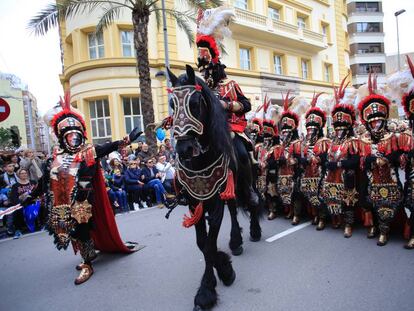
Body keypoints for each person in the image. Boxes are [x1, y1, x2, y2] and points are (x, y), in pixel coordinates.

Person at [37, 93, 142, 284]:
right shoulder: (56, 157)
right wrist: (29, 197)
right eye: (70, 136)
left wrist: (125, 140)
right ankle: (89, 253)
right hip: (63, 202)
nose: (74, 140)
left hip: (84, 201)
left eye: (77, 136)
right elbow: (44, 181)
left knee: (81, 229)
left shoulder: (89, 151)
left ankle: (87, 263)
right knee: (73, 231)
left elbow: (109, 147)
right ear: (62, 138)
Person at [195, 7, 258, 206]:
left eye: (208, 70)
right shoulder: (200, 89)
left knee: (239, 152)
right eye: (203, 71)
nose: (205, 74)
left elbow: (246, 105)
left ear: (216, 68)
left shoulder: (230, 85)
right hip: (209, 131)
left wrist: (227, 104)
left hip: (232, 129)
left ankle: (248, 187)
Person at [357, 75, 403, 246]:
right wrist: (372, 160)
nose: (376, 124)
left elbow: (399, 157)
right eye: (373, 121)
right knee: (371, 201)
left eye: (378, 121)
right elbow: (361, 159)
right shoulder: (364, 139)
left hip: (389, 179)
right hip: (372, 178)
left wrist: (387, 159)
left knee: (389, 202)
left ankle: (385, 230)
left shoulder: (393, 137)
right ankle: (374, 226)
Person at [291, 93, 329, 226]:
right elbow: (300, 156)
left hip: (320, 174)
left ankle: (322, 217)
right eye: (309, 128)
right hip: (306, 174)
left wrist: (317, 159)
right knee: (306, 193)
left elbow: (326, 158)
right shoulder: (303, 143)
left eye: (313, 128)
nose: (311, 131)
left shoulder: (324, 142)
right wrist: (300, 160)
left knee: (320, 194)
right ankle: (313, 215)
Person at [9, 168, 38, 239]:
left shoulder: (33, 182)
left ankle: (39, 225)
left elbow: (38, 192)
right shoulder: (15, 185)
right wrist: (20, 202)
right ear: (19, 175)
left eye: (25, 173)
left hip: (33, 201)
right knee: (17, 210)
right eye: (22, 173)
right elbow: (14, 197)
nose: (24, 174)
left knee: (41, 205)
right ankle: (18, 230)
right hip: (22, 203)